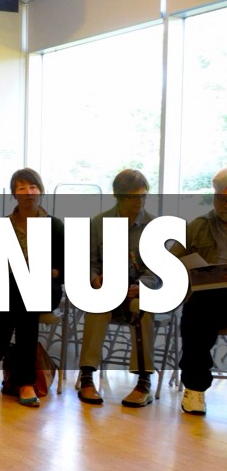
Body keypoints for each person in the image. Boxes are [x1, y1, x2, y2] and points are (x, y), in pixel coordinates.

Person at [0, 168, 64, 407]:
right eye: (22, 188)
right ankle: (25, 384)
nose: (28, 192)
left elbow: (63, 270)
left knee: (26, 292)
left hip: (45, 288)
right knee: (24, 308)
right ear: (14, 194)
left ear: (40, 191)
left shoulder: (55, 226)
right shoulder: (1, 227)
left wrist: (40, 271)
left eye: (33, 187)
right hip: (9, 290)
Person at [76, 169, 157, 407]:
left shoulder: (153, 226)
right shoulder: (99, 223)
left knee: (142, 308)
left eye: (144, 195)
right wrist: (94, 279)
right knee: (97, 306)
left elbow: (157, 271)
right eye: (134, 197)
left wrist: (141, 285)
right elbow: (88, 261)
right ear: (119, 197)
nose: (140, 201)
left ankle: (144, 382)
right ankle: (87, 377)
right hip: (108, 289)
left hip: (136, 291)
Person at [175, 168, 227, 416]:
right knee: (197, 310)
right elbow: (171, 262)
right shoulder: (197, 226)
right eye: (220, 198)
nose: (224, 204)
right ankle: (195, 388)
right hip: (207, 299)